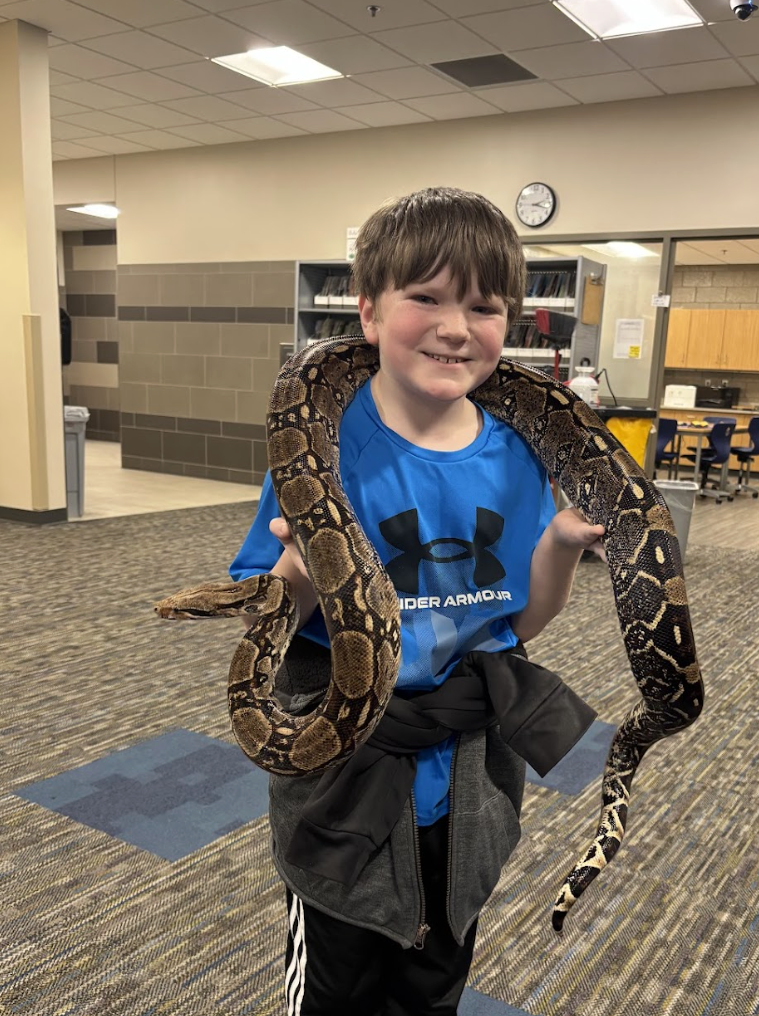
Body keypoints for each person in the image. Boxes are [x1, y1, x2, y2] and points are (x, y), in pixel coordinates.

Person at [229, 187, 605, 1016]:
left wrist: (559, 548)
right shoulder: (322, 453)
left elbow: (519, 623)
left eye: (484, 306)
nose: (455, 326)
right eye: (426, 297)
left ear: (510, 323)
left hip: (466, 775)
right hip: (345, 778)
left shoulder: (516, 456)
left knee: (435, 982)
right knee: (333, 988)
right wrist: (296, 571)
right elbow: (270, 619)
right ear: (368, 311)